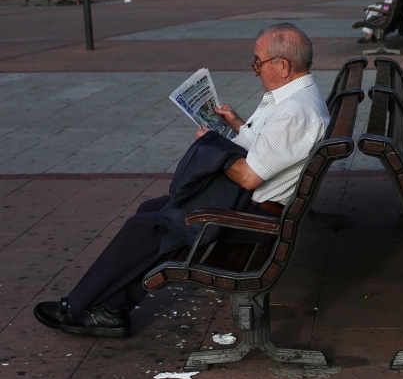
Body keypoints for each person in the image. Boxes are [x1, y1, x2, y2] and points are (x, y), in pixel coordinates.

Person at [33, 23, 330, 338]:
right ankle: (111, 309)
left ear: (282, 66)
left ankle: (79, 306)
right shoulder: (295, 97)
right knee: (153, 211)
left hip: (254, 220)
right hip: (252, 206)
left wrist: (213, 143)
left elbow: (248, 176)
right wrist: (238, 125)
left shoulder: (293, 112)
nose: (254, 70)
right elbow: (270, 149)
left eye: (258, 62)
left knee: (146, 226)